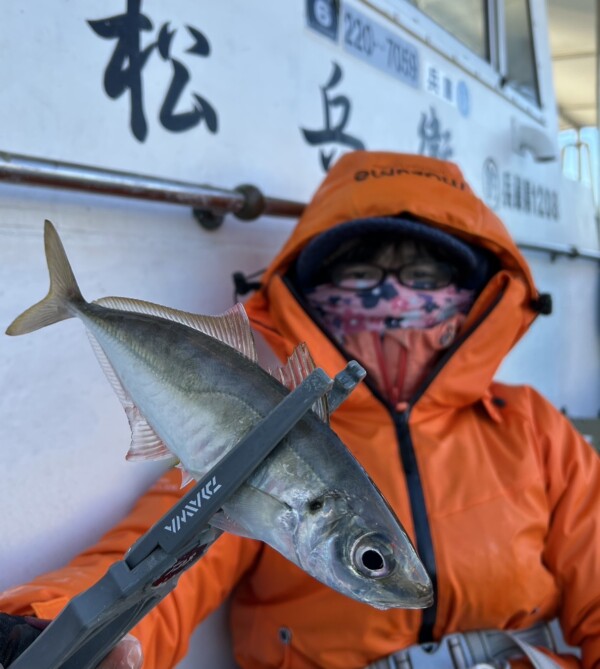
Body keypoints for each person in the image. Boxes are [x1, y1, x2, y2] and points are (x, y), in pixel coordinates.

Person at [1, 151, 599, 669]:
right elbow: (160, 556)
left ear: (468, 294)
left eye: (421, 275)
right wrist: (46, 629)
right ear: (311, 291)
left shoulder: (534, 428)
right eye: (361, 273)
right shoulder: (255, 427)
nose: (390, 295)